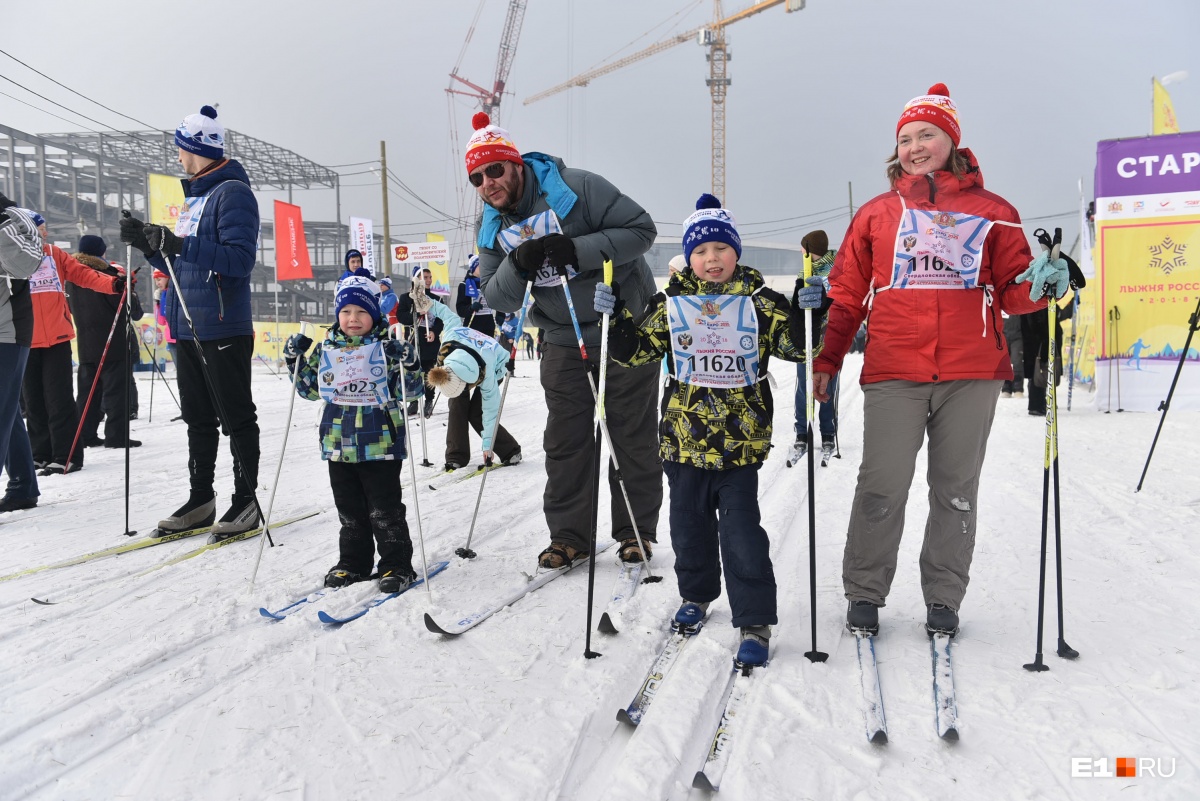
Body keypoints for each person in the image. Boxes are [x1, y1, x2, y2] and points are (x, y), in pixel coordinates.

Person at [812, 83, 1067, 637]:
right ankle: (864, 591)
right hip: (894, 369)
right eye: (905, 138)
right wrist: (827, 359)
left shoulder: (994, 212)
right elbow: (848, 294)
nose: (915, 146)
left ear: (951, 140)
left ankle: (944, 596)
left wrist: (1045, 282)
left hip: (969, 372)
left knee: (955, 489)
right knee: (882, 484)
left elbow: (1016, 291)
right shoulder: (878, 214)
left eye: (927, 134)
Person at [594, 194, 826, 665]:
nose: (711, 258)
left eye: (720, 248)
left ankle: (754, 617)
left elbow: (798, 348)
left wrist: (813, 310)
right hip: (682, 440)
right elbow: (634, 353)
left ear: (736, 252)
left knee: (741, 533)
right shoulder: (671, 303)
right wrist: (615, 317)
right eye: (700, 251)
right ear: (689, 256)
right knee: (689, 530)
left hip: (739, 443)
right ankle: (696, 596)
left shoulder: (761, 301)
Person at [468, 111, 663, 569]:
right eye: (476, 177)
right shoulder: (493, 225)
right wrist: (518, 265)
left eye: (494, 169)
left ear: (515, 164)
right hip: (561, 337)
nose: (487, 183)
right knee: (565, 441)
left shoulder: (578, 187)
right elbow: (498, 297)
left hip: (624, 329)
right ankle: (569, 537)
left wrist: (578, 249)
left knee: (630, 436)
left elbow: (641, 231)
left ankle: (635, 530)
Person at [120, 105, 262, 538]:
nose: (177, 157)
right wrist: (149, 244)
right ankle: (201, 497)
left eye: (180, 149)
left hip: (221, 324)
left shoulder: (233, 192)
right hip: (186, 324)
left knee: (235, 415)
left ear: (195, 148)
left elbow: (239, 261)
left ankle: (246, 500)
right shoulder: (197, 197)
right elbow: (180, 262)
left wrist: (179, 243)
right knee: (198, 417)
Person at [283, 269, 422, 591]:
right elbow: (309, 390)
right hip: (337, 443)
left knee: (384, 510)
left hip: (380, 444)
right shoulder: (326, 349)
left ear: (374, 313)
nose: (353, 318)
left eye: (361, 311)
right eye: (345, 311)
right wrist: (295, 360)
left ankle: (396, 565)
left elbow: (410, 392)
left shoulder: (387, 347)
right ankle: (353, 563)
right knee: (350, 512)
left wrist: (410, 364)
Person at [24, 221, 121, 474]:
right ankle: (39, 453)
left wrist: (112, 284)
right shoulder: (11, 256)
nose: (45, 231)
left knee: (60, 400)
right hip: (23, 338)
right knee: (33, 402)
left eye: (45, 226)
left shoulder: (53, 254)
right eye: (40, 227)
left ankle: (67, 456)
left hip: (57, 336)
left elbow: (83, 273)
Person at [412, 280, 522, 470]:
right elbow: (446, 314)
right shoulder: (451, 337)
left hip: (495, 366)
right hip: (462, 362)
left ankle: (510, 451)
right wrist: (426, 301)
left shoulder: (488, 372)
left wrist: (487, 446)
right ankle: (456, 456)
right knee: (456, 404)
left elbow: (491, 411)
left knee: (477, 413)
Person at [69, 235, 143, 452]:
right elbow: (133, 311)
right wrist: (128, 287)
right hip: (113, 342)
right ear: (100, 252)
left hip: (85, 342)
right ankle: (116, 435)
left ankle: (86, 434)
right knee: (116, 391)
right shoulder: (108, 275)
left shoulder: (72, 278)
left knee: (87, 393)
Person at [0, 198, 45, 512]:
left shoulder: (12, 219)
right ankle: (23, 486)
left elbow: (27, 263)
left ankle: (22, 486)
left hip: (7, 331)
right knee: (8, 412)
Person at [791, 229, 839, 464]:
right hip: (806, 338)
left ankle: (828, 433)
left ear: (811, 249)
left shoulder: (835, 272)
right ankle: (802, 431)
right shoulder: (804, 270)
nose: (801, 251)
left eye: (803, 247)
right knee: (803, 386)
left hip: (827, 336)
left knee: (827, 386)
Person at [1021, 264, 1079, 416]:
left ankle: (1043, 403)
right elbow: (1038, 324)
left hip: (1043, 344)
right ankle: (1036, 405)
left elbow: (1059, 315)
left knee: (1042, 374)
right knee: (1038, 374)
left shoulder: (1044, 300)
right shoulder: (1035, 300)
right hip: (1040, 345)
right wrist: (1044, 339)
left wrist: (1073, 302)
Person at [395, 266, 444, 419]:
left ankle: (428, 400)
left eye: (430, 277)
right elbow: (401, 317)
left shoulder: (436, 298)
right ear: (416, 280)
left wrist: (434, 331)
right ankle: (414, 400)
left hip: (429, 341)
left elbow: (442, 319)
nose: (428, 281)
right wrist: (416, 314)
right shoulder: (406, 298)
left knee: (429, 372)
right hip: (413, 340)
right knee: (413, 372)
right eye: (425, 277)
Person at [152, 268, 178, 366]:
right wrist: (158, 304)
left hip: (180, 337)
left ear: (167, 278)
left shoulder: (174, 292)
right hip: (171, 338)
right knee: (179, 370)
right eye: (155, 281)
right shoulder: (163, 295)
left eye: (159, 279)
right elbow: (161, 321)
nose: (157, 283)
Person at [1001, 312, 1024, 397]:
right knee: (1005, 363)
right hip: (1003, 335)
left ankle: (1018, 388)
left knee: (1017, 362)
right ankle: (1006, 388)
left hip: (1017, 337)